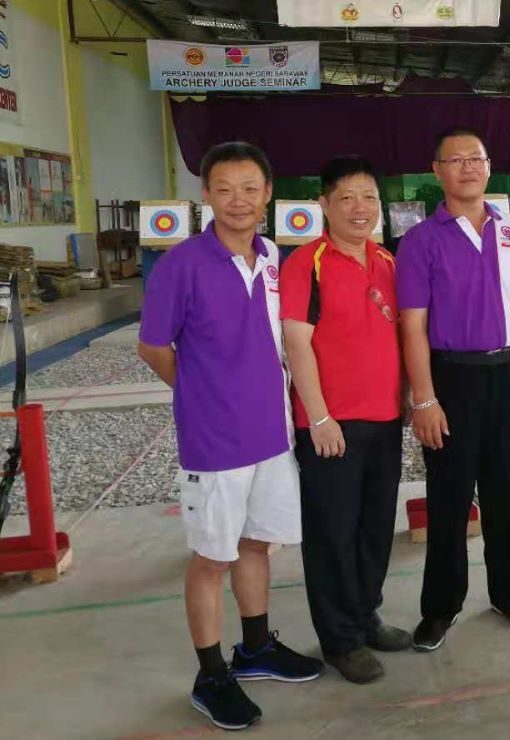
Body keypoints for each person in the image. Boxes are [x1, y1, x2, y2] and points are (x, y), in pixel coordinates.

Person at [138, 142, 323, 732]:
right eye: (224, 189)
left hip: (271, 433)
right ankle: (211, 675)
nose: (238, 200)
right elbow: (153, 346)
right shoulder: (181, 265)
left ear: (268, 194)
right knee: (211, 556)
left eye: (249, 188)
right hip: (214, 442)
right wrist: (199, 391)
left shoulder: (273, 259)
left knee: (256, 543)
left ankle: (256, 647)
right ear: (206, 196)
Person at [398, 128, 510, 652]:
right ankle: (440, 608)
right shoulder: (421, 240)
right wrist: (424, 398)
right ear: (436, 170)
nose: (468, 167)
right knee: (450, 497)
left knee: (508, 493)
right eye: (455, 159)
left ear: (489, 166)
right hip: (452, 379)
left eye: (476, 158)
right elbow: (412, 324)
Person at [280, 157, 410, 684]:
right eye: (347, 198)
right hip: (331, 425)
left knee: (374, 527)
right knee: (332, 532)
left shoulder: (388, 261)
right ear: (324, 204)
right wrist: (319, 417)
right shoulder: (305, 263)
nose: (360, 209)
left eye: (369, 197)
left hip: (385, 418)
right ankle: (340, 639)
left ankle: (365, 614)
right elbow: (296, 342)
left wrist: (408, 398)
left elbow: (402, 334)